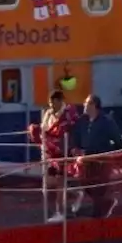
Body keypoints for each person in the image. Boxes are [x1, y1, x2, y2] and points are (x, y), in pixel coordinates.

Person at [70, 95, 122, 218]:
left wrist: (112, 154)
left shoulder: (106, 121)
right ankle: (106, 204)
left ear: (95, 106)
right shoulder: (82, 121)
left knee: (99, 187)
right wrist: (75, 148)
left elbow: (117, 140)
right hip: (86, 159)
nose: (84, 105)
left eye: (87, 103)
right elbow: (76, 136)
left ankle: (97, 217)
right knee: (85, 183)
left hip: (102, 159)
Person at [38, 90, 79, 222]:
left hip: (64, 151)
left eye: (52, 102)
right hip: (51, 153)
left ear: (59, 101)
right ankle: (77, 193)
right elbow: (44, 129)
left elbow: (73, 131)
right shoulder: (48, 114)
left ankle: (59, 212)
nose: (50, 105)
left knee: (60, 182)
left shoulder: (69, 114)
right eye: (49, 103)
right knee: (51, 182)